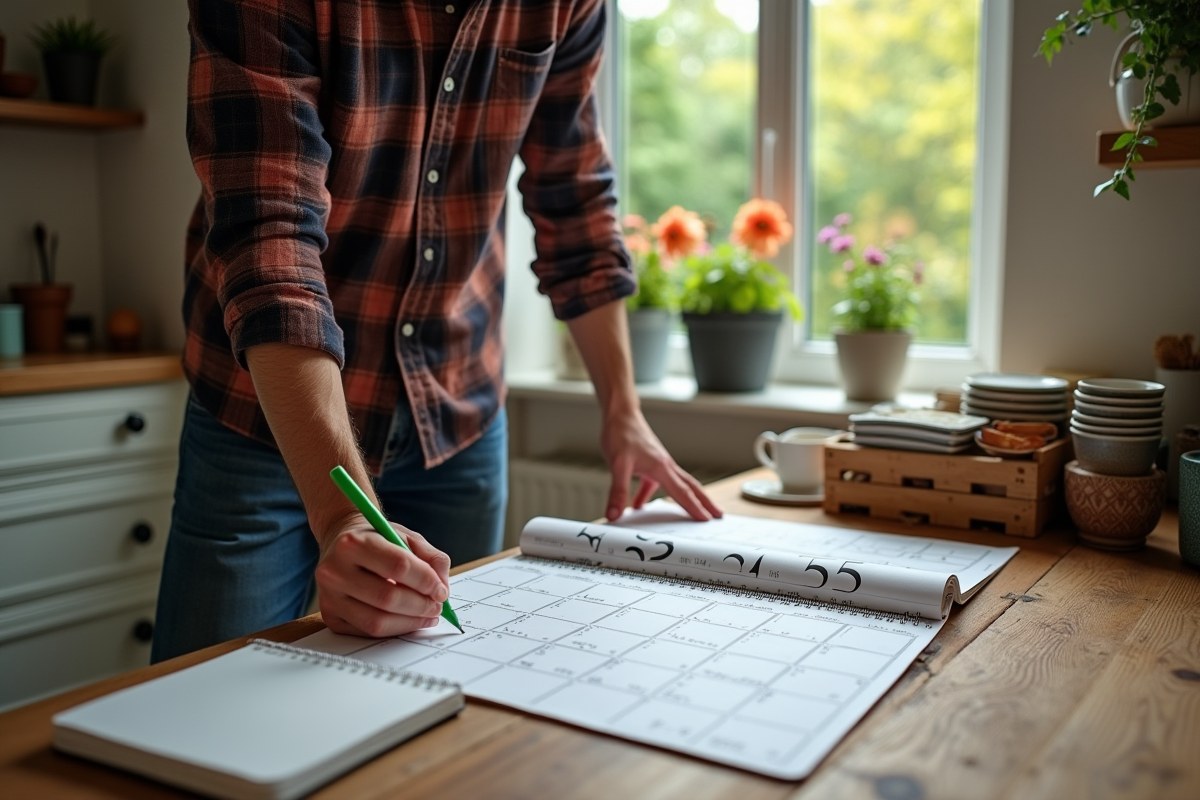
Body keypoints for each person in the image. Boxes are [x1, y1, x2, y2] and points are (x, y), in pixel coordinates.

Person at [151, 0, 721, 663]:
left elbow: (577, 204)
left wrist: (625, 414)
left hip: (456, 412)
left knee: (445, 691)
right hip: (266, 418)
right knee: (211, 700)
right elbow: (268, 238)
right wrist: (341, 516)